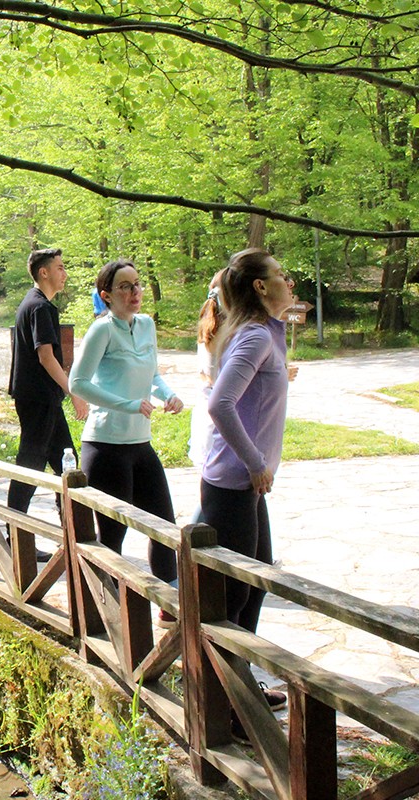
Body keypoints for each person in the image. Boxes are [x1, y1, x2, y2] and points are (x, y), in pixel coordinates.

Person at [201, 248, 296, 718]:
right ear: (260, 286)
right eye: (280, 275)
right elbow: (220, 404)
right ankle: (228, 706)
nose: (289, 281)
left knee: (255, 586)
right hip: (233, 483)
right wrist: (256, 462)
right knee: (235, 594)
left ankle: (239, 691)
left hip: (245, 486)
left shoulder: (267, 333)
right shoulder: (256, 336)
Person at [68, 259, 183, 611]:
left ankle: (171, 609)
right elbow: (78, 383)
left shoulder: (146, 325)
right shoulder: (101, 330)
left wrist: (168, 394)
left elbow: (152, 374)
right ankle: (106, 612)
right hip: (106, 446)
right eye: (125, 286)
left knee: (164, 527)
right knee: (112, 535)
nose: (135, 292)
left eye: (137, 284)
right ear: (106, 295)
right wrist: (127, 405)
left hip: (140, 445)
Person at [6, 248, 88, 535]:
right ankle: (16, 535)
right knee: (30, 466)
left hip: (42, 398)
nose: (65, 274)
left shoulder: (34, 303)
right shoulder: (39, 307)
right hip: (38, 399)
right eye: (60, 268)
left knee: (67, 464)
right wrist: (73, 391)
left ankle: (74, 534)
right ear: (44, 272)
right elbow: (46, 356)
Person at [187, 272, 225, 468]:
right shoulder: (222, 329)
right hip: (217, 411)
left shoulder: (211, 323)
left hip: (208, 407)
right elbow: (214, 376)